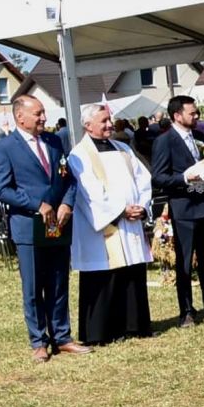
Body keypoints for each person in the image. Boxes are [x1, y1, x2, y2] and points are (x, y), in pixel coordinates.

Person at [0, 94, 85, 361]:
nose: (44, 118)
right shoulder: (5, 148)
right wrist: (37, 204)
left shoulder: (54, 142)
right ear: (20, 117)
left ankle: (62, 337)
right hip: (28, 226)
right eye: (38, 113)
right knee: (33, 286)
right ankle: (38, 341)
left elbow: (69, 179)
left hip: (57, 225)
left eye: (44, 113)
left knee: (58, 281)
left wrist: (67, 204)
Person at [66, 104, 154, 346]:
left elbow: (143, 179)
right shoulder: (79, 155)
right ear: (88, 125)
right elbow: (88, 192)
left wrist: (141, 206)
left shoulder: (123, 148)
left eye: (109, 120)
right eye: (104, 121)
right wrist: (119, 210)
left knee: (132, 274)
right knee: (104, 276)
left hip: (131, 221)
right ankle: (100, 332)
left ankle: (136, 325)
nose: (109, 125)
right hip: (105, 225)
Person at [152, 95, 204, 328]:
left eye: (196, 112)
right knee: (185, 262)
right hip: (183, 209)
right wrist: (185, 177)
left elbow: (203, 167)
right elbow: (158, 177)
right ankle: (186, 310)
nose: (197, 116)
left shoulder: (197, 138)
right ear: (177, 115)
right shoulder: (164, 141)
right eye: (192, 113)